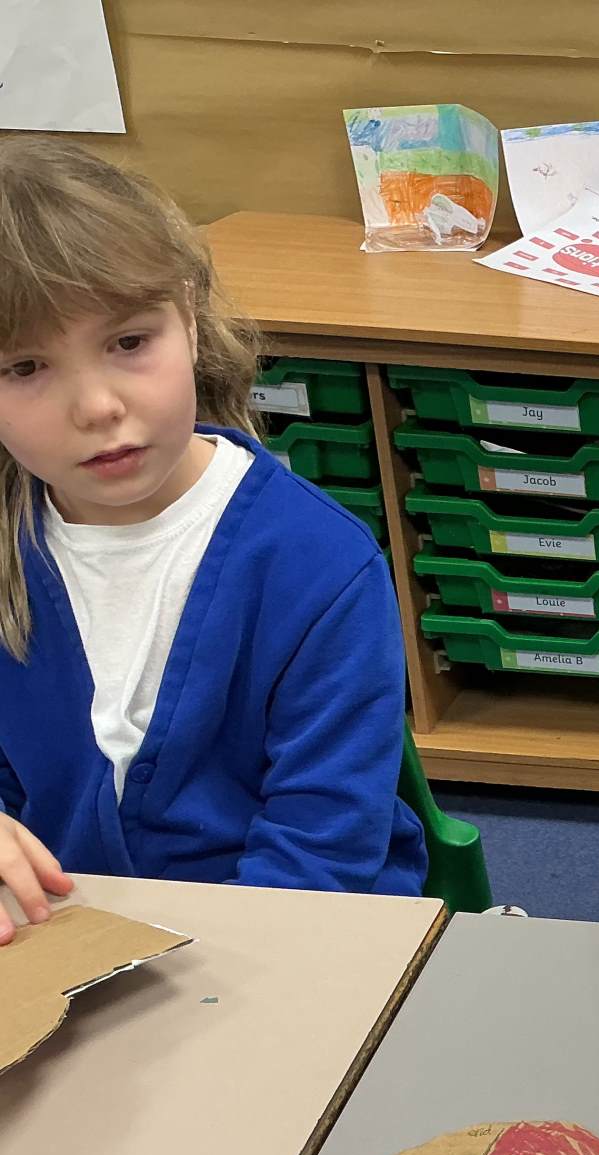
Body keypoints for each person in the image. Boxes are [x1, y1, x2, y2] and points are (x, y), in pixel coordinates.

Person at [0, 137, 426, 944]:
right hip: (64, 935)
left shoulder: (318, 565)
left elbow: (321, 853)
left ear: (189, 320)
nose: (96, 406)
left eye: (129, 343)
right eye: (25, 368)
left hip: (285, 934)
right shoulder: (13, 544)